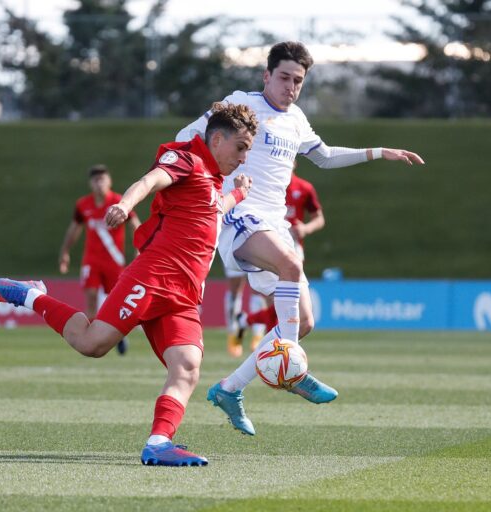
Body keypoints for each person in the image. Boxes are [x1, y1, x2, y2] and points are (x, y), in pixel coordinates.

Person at [0, 102, 257, 466]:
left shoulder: (209, 179)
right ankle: (30, 295)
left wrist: (238, 194)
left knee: (188, 366)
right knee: (92, 344)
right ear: (217, 139)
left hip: (185, 295)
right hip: (154, 277)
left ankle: (159, 443)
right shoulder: (187, 159)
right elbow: (151, 179)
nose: (243, 157)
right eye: (240, 148)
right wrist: (125, 205)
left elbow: (212, 209)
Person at [177, 41, 424, 436]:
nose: (291, 86)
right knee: (293, 265)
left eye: (298, 80)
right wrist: (178, 175)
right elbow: (188, 135)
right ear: (266, 76)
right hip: (237, 214)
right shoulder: (242, 104)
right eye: (284, 77)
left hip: (273, 224)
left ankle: (229, 388)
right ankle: (293, 369)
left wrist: (379, 152)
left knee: (303, 321)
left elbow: (324, 156)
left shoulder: (296, 119)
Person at [58, 165, 141, 355]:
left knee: (117, 302)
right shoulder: (83, 205)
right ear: (90, 184)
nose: (99, 184)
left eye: (103, 179)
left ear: (109, 181)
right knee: (91, 300)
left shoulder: (119, 202)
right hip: (91, 261)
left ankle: (118, 335)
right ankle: (90, 340)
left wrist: (139, 248)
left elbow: (135, 223)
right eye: (96, 180)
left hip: (114, 261)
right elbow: (74, 229)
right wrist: (65, 251)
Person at [237, 167, 326, 339]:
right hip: (266, 244)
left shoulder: (304, 188)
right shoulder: (265, 184)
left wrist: (306, 229)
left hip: (293, 248)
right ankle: (271, 353)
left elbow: (319, 218)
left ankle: (249, 325)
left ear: (294, 162)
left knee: (286, 307)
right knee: (277, 303)